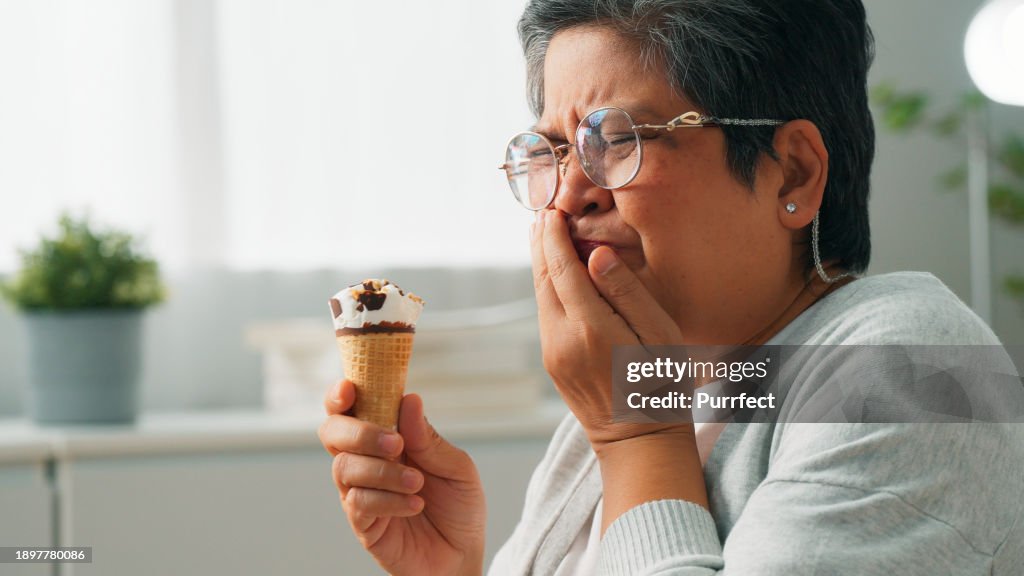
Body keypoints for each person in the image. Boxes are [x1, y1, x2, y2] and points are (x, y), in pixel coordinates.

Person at [318, 0, 1024, 574]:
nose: (567, 196)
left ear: (794, 173)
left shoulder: (917, 366)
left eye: (618, 139)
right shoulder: (644, 387)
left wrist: (638, 438)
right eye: (555, 150)